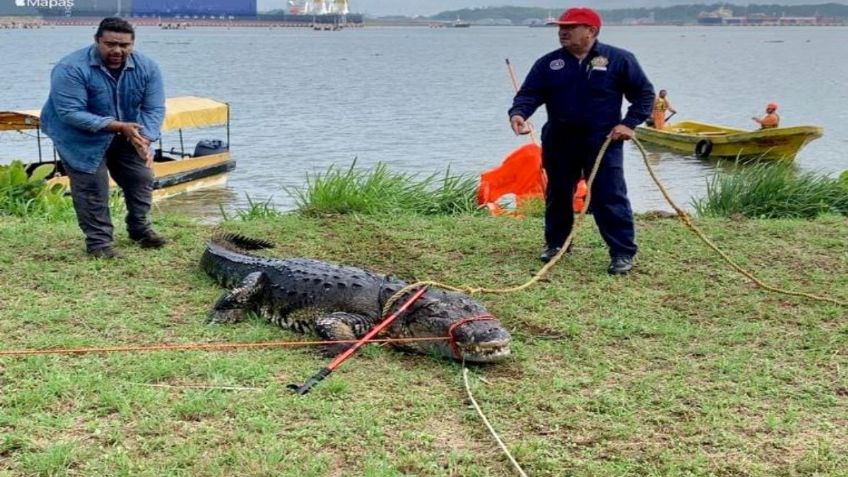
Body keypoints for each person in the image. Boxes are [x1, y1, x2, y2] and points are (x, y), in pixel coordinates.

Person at [509, 7, 654, 275]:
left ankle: (622, 252)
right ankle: (556, 244)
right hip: (560, 140)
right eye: (561, 27)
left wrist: (629, 123)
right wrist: (519, 114)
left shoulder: (619, 59)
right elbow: (529, 94)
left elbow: (644, 95)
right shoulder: (549, 63)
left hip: (603, 142)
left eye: (570, 27)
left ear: (591, 31)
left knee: (609, 195)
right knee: (558, 194)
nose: (562, 31)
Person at [41, 17, 166, 259]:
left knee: (141, 176)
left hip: (126, 130)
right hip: (77, 135)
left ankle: (140, 229)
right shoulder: (70, 68)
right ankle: (99, 244)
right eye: (110, 44)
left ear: (132, 44)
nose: (118, 50)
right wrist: (119, 126)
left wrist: (146, 139)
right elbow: (70, 113)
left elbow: (154, 109)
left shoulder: (148, 68)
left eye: (125, 45)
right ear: (97, 40)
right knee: (93, 187)